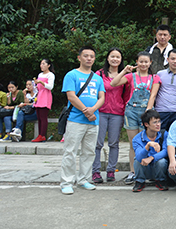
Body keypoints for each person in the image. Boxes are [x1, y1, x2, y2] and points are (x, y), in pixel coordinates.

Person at [60, 46, 106, 195]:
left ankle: (84, 179)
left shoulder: (97, 78)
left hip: (93, 121)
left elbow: (102, 97)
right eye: (86, 56)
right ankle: (67, 181)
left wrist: (92, 111)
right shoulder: (71, 75)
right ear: (79, 58)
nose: (89, 58)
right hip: (75, 119)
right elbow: (71, 96)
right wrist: (86, 111)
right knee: (70, 151)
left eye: (92, 56)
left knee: (89, 152)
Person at [111, 51, 160, 185]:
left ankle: (147, 171)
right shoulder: (131, 76)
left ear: (150, 63)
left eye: (146, 62)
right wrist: (124, 71)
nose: (143, 64)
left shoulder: (154, 77)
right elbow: (114, 83)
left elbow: (153, 95)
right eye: (141, 61)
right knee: (134, 144)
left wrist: (148, 111)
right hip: (131, 112)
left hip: (147, 113)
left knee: (147, 143)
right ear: (136, 62)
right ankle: (133, 172)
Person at [91, 48, 127, 184]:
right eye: (112, 56)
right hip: (101, 111)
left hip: (117, 112)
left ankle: (111, 170)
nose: (115, 59)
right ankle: (95, 171)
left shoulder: (124, 75)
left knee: (114, 143)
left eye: (118, 57)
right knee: (98, 143)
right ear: (107, 58)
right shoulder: (99, 74)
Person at [148, 49, 176, 133]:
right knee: (159, 135)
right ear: (167, 60)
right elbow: (155, 92)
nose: (175, 61)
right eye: (172, 59)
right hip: (161, 111)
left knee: (174, 136)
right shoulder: (160, 74)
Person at [131, 109, 169, 192]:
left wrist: (151, 158)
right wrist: (148, 145)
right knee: (137, 160)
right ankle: (139, 181)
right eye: (155, 122)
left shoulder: (164, 134)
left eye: (159, 122)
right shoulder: (137, 139)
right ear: (146, 124)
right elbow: (139, 157)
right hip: (145, 167)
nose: (158, 125)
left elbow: (166, 151)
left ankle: (160, 180)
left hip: (158, 168)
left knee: (162, 161)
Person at [31, 59, 55, 143]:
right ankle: (40, 135)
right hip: (39, 95)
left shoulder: (50, 75)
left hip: (46, 96)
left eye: (43, 64)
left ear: (48, 65)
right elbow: (38, 87)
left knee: (43, 116)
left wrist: (41, 82)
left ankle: (42, 135)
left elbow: (50, 87)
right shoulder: (40, 74)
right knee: (39, 116)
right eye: (41, 64)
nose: (41, 65)